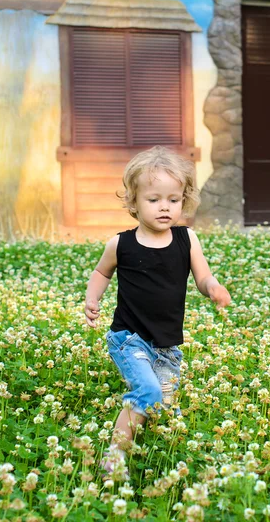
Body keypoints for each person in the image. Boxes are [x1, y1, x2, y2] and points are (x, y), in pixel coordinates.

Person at [84, 146, 231, 476]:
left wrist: (213, 289)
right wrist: (92, 298)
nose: (165, 207)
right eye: (154, 199)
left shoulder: (187, 239)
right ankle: (114, 456)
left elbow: (203, 276)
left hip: (167, 345)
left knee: (161, 406)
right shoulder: (120, 244)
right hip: (129, 338)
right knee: (147, 392)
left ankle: (161, 456)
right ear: (134, 202)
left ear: (184, 200)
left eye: (173, 199)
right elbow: (101, 273)